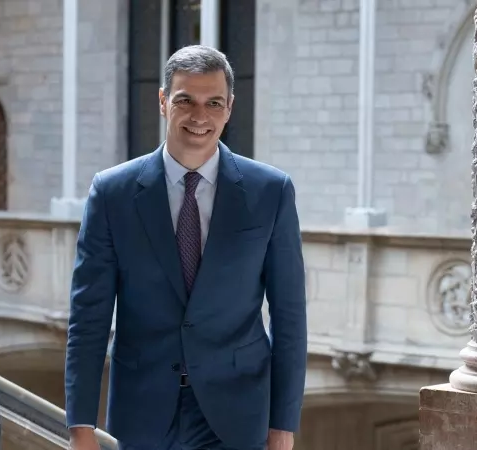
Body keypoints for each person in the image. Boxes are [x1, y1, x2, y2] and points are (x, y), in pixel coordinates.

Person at [64, 45, 307, 450]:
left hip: (237, 413)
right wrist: (81, 425)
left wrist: (283, 423)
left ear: (229, 107)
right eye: (185, 100)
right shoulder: (112, 193)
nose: (200, 116)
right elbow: (88, 316)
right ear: (162, 102)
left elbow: (289, 316)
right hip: (141, 411)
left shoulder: (271, 191)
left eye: (213, 102)